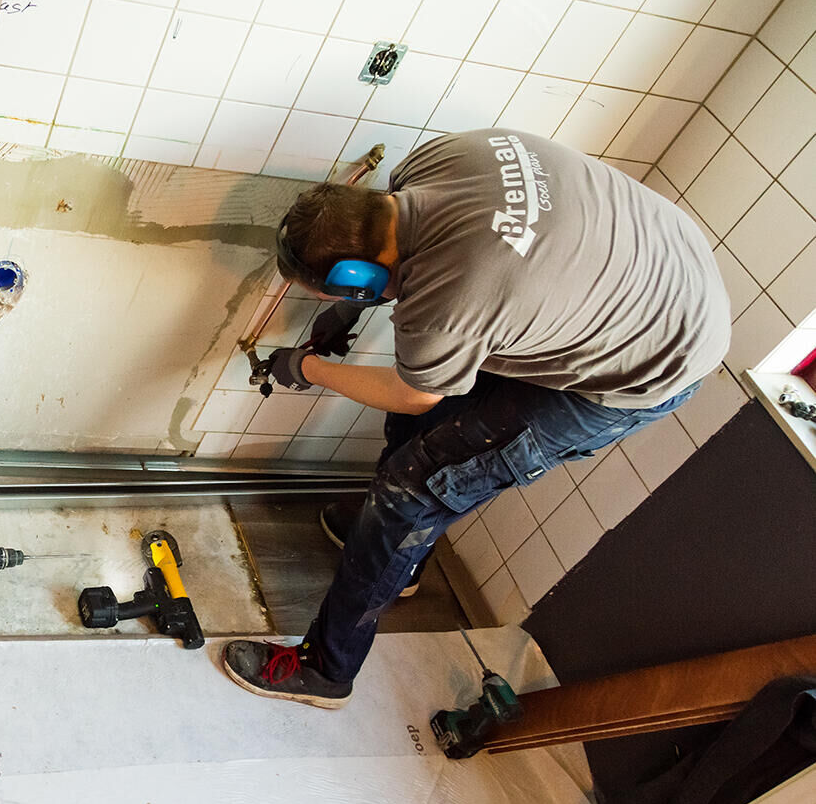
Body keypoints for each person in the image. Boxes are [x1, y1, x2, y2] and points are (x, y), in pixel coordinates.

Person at [221, 129, 730, 710]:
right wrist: (345, 313)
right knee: (435, 429)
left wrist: (306, 367)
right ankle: (401, 566)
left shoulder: (453, 295)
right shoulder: (433, 163)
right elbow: (429, 347)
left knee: (411, 490)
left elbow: (413, 394)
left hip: (645, 365)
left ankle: (325, 670)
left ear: (357, 279)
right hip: (650, 272)